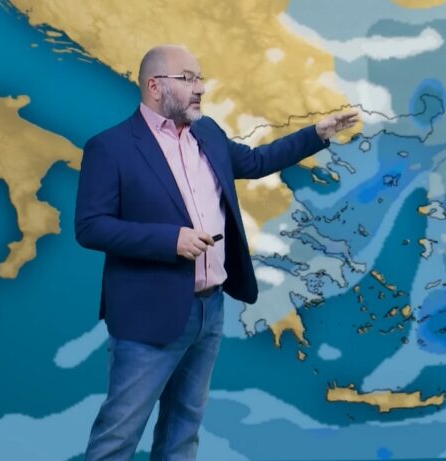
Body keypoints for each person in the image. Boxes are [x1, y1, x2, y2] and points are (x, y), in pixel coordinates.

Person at [74, 44, 358, 460]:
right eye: (187, 79)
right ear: (155, 86)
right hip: (148, 313)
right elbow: (90, 226)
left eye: (200, 78)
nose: (200, 88)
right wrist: (170, 240)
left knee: (183, 430)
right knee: (118, 436)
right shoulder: (111, 147)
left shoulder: (207, 133)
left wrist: (317, 134)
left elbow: (257, 162)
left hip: (209, 310)